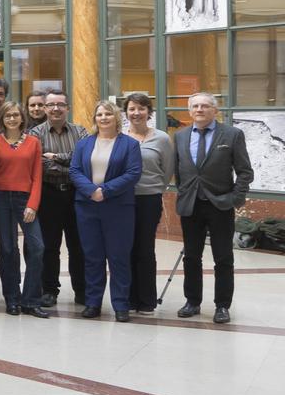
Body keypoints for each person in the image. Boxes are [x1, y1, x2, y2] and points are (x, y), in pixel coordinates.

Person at [174, 92, 254, 325]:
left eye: (205, 106)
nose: (199, 109)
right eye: (195, 106)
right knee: (191, 257)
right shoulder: (179, 136)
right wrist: (184, 193)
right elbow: (180, 172)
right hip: (191, 206)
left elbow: (245, 171)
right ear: (190, 111)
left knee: (223, 258)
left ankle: (222, 306)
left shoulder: (231, 134)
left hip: (220, 205)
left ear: (215, 110)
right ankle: (192, 302)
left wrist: (235, 199)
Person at [70, 101, 142, 322]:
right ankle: (93, 303)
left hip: (118, 208)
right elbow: (74, 170)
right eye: (99, 114)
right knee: (93, 257)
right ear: (95, 119)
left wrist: (106, 191)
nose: (103, 118)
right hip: (87, 206)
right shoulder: (84, 144)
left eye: (108, 114)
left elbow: (133, 173)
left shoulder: (129, 144)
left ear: (116, 117)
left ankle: (121, 304)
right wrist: (92, 190)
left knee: (119, 257)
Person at [0, 101, 50, 318]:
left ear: (22, 118)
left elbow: (37, 177)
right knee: (7, 250)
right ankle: (12, 299)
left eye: (16, 115)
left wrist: (33, 205)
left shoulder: (33, 142)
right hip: (0, 198)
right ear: (2, 120)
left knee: (37, 247)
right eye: (8, 116)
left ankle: (31, 300)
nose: (12, 119)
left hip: (25, 199)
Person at [29, 89, 88, 308]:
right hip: (49, 195)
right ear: (44, 108)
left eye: (60, 104)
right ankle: (50, 290)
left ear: (67, 108)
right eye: (51, 105)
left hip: (76, 194)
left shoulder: (80, 131)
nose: (56, 108)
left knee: (78, 245)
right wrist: (71, 164)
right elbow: (40, 166)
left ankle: (82, 290)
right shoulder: (35, 134)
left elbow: (84, 159)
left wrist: (55, 157)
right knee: (49, 246)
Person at [124, 93, 174, 315]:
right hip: (122, 199)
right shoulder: (119, 136)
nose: (136, 113)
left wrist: (153, 189)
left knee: (145, 248)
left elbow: (168, 170)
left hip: (149, 198)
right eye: (132, 108)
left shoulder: (161, 138)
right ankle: (129, 297)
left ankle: (146, 300)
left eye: (141, 108)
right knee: (125, 248)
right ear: (126, 112)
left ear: (149, 112)